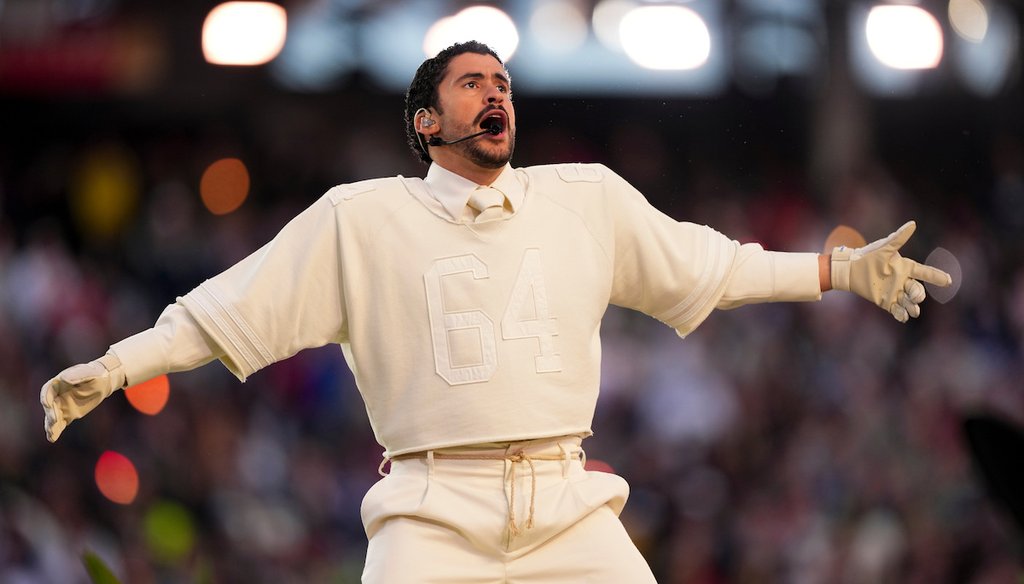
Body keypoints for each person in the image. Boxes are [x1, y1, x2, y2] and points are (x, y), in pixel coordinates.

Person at [40, 41, 952, 582]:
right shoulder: (359, 216)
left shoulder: (585, 197)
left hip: (568, 500)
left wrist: (838, 268)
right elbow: (229, 307)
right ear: (426, 124)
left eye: (503, 83)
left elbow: (715, 267)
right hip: (430, 511)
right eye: (473, 83)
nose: (496, 93)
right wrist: (122, 362)